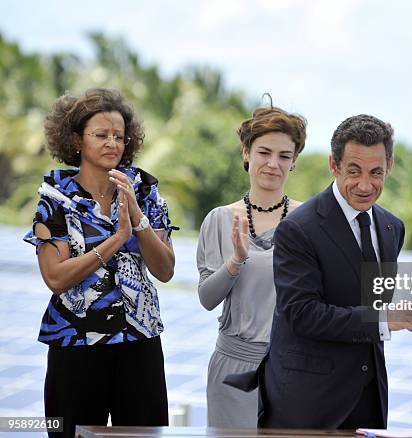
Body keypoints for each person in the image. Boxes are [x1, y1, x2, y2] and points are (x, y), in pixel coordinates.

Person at [227, 114, 412, 429]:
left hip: (369, 403)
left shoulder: (392, 227)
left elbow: (373, 297)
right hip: (308, 405)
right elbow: (303, 313)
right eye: (353, 171)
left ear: (389, 168)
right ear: (333, 165)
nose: (365, 185)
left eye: (376, 172)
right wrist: (385, 320)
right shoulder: (297, 229)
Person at [23, 88, 176, 438]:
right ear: (77, 140)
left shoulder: (146, 191)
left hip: (140, 341)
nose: (112, 143)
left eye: (119, 136)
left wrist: (137, 218)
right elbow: (56, 278)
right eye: (101, 135)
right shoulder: (56, 199)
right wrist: (116, 241)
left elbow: (165, 270)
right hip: (75, 344)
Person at [196, 104, 307, 428]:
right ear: (246, 152)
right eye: (264, 152)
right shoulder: (219, 220)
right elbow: (207, 299)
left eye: (285, 156)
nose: (273, 164)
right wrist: (236, 260)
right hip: (232, 369)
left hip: (292, 368)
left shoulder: (309, 221)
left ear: (294, 161)